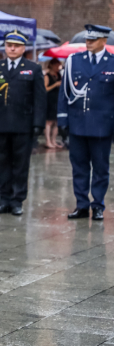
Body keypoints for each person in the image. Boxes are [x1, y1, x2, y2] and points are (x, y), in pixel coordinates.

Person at [58, 24, 114, 221]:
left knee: (100, 169)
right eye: (87, 39)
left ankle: (97, 205)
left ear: (104, 41)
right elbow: (64, 93)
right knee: (79, 167)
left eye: (93, 40)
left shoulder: (112, 63)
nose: (88, 43)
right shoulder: (74, 61)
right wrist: (62, 119)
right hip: (78, 124)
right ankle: (81, 204)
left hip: (102, 126)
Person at [0, 31, 46, 216]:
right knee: (2, 163)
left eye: (16, 45)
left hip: (23, 125)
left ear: (23, 48)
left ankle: (17, 200)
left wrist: (38, 123)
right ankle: (3, 199)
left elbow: (40, 99)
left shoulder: (33, 68)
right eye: (9, 45)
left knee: (21, 165)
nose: (12, 48)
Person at [44, 59, 62, 149]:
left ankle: (53, 140)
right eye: (56, 66)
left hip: (57, 99)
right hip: (50, 100)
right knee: (49, 121)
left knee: (57, 121)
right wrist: (55, 84)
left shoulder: (58, 75)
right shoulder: (47, 76)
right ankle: (48, 141)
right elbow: (45, 89)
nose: (57, 68)